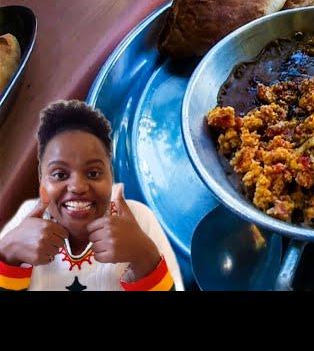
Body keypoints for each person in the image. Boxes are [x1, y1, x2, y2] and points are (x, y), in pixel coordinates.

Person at [0, 100, 183, 291]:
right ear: (41, 179)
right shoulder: (25, 222)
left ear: (110, 175)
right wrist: (8, 253)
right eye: (60, 175)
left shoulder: (139, 219)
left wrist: (144, 256)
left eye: (93, 173)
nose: (78, 187)